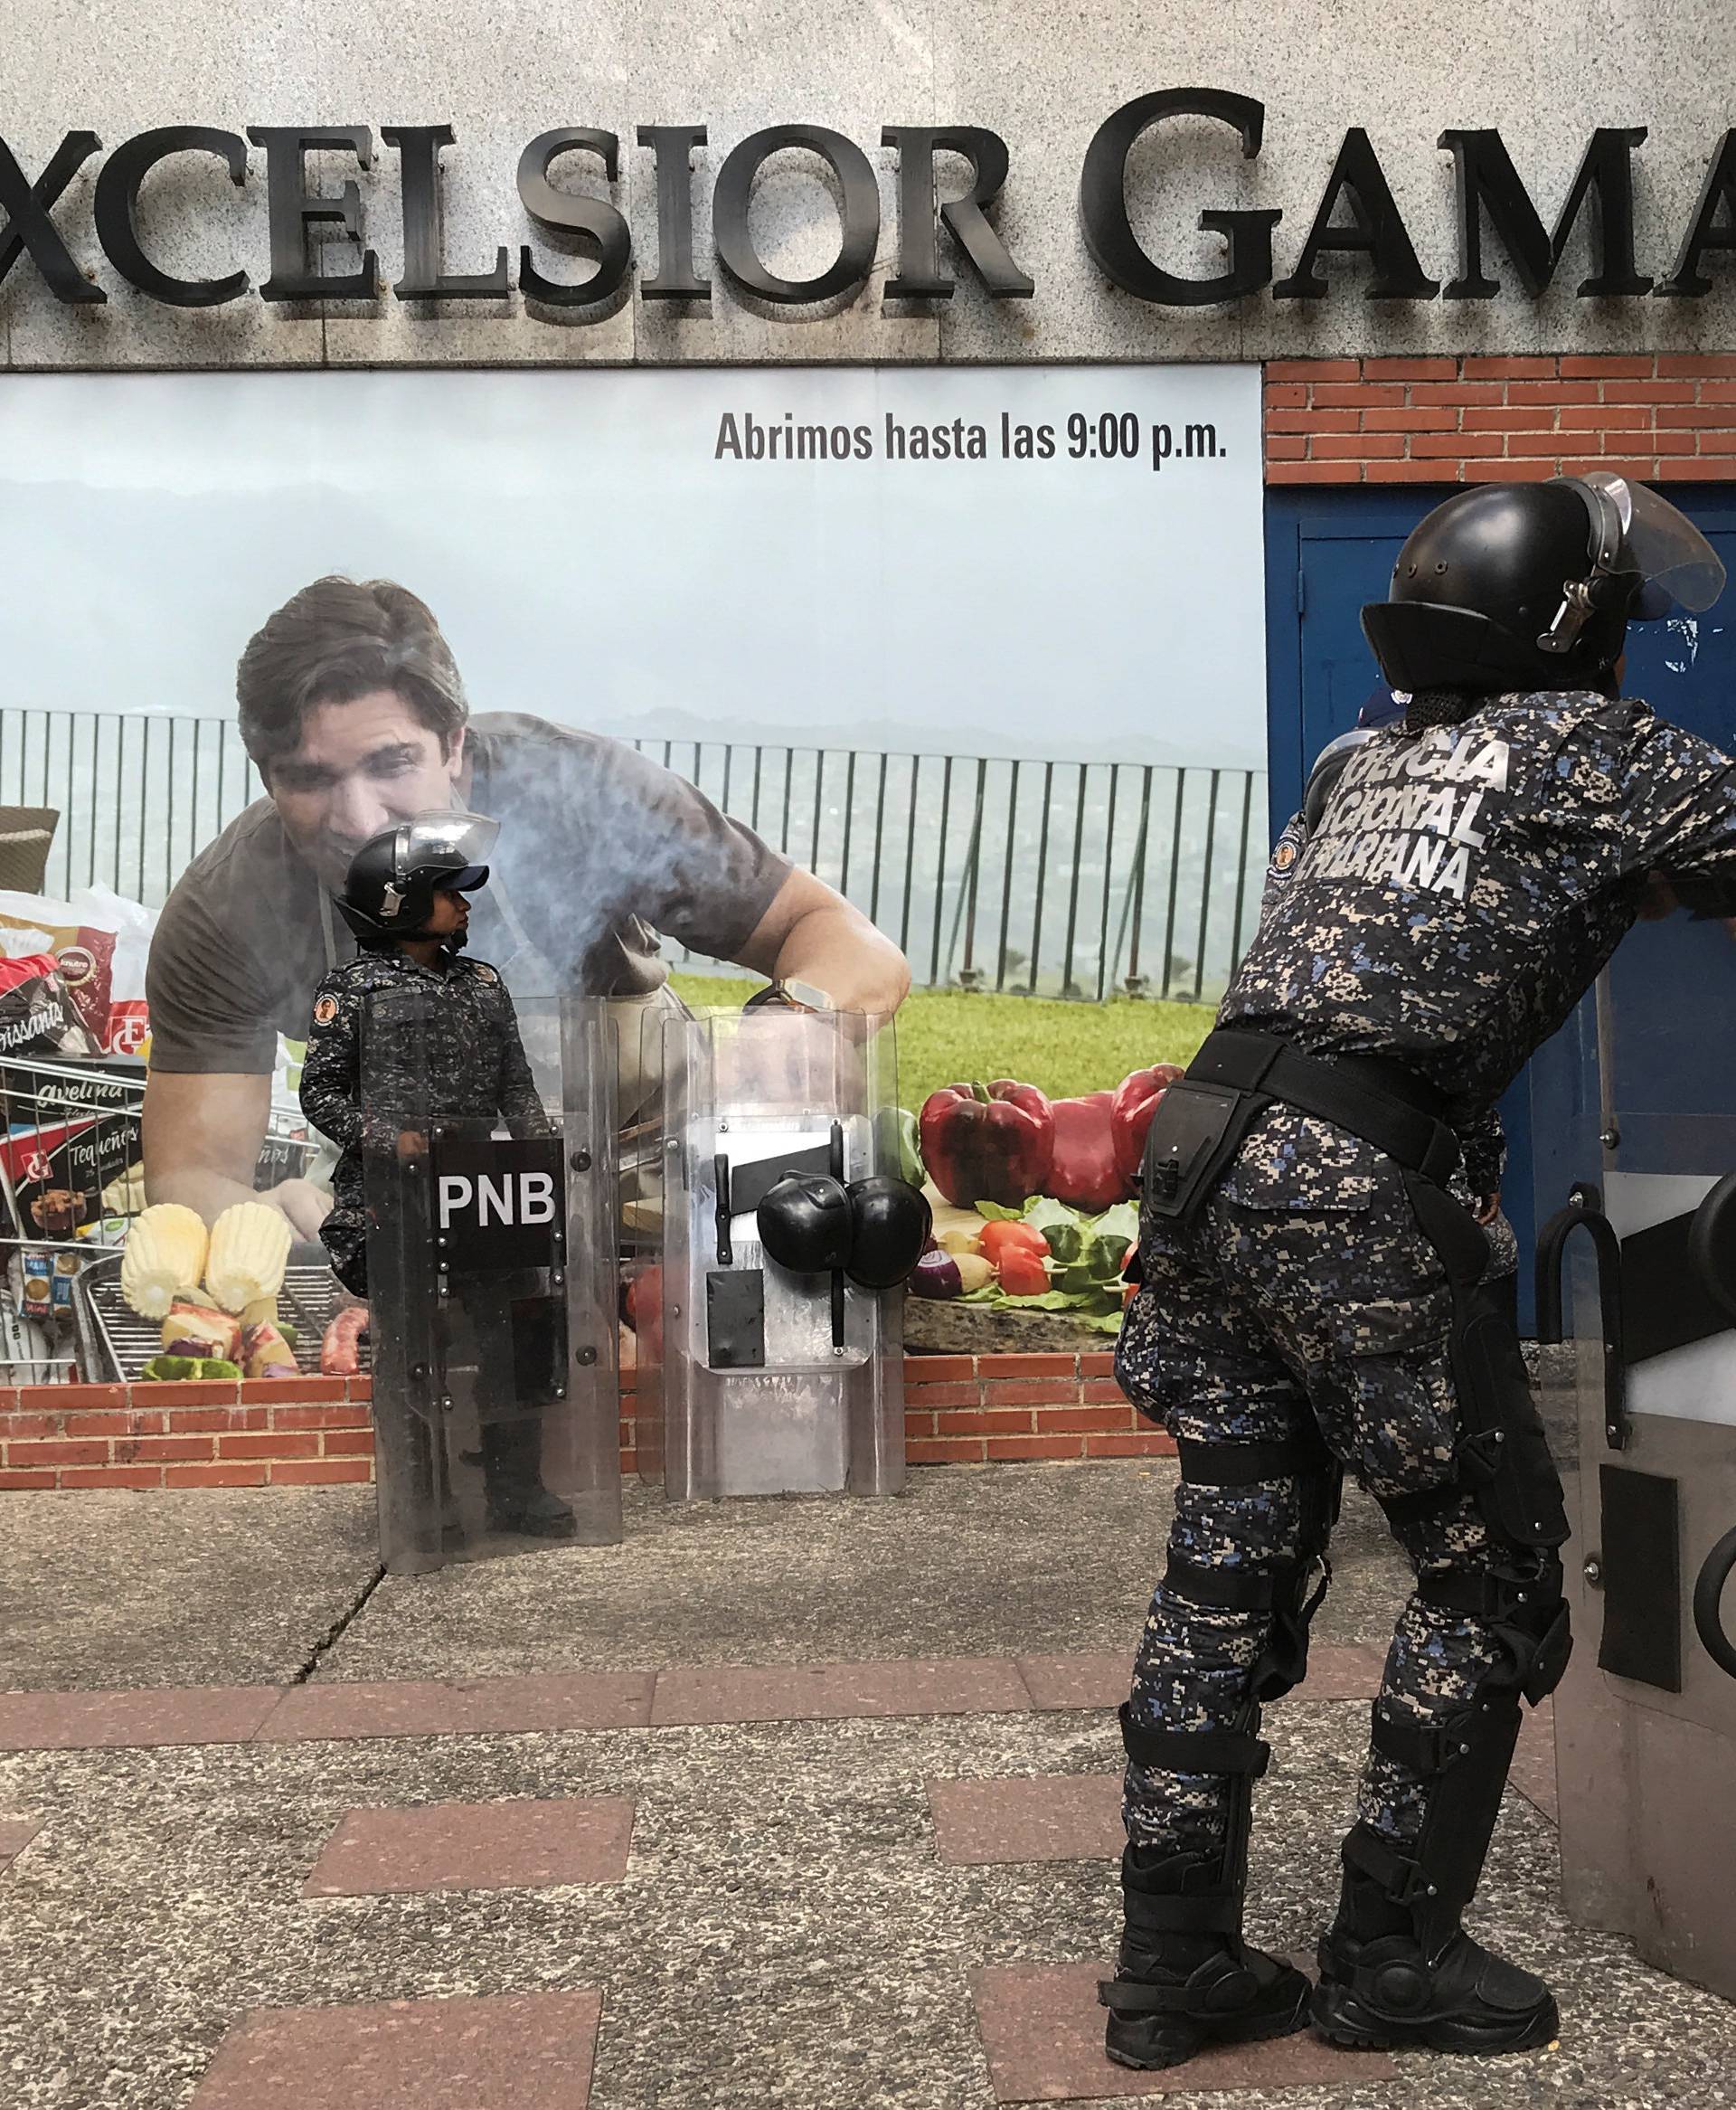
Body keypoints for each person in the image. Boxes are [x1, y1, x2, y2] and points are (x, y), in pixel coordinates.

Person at [1103, 471, 1734, 2069]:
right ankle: (1390, 1955)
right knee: (1491, 1567)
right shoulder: (1601, 750)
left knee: (1224, 1559)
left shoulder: (1358, 753)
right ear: (1578, 626)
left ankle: (1171, 1965)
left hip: (1201, 1158)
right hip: (1355, 1183)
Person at [142, 576, 910, 1232]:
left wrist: (797, 1020)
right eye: (309, 778)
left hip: (667, 1203)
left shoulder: (582, 795)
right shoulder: (223, 914)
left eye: (392, 763)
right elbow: (190, 1177)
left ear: (453, 745)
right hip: (418, 1226)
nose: (360, 819)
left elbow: (847, 942)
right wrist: (259, 1216)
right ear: (267, 777)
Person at [298, 810, 574, 1538]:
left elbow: (518, 1087)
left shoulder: (485, 984)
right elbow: (321, 1093)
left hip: (491, 1197)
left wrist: (545, 1154)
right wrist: (391, 1138)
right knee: (413, 1352)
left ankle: (517, 1491)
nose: (466, 904)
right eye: (451, 891)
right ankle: (423, 1502)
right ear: (401, 902)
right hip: (399, 1201)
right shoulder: (352, 989)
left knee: (514, 1345)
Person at [1262, 697, 1520, 1327]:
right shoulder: (1430, 849)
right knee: (1494, 1254)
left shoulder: (1312, 831)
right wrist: (1482, 1159)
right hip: (1372, 1131)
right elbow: (1455, 1029)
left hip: (1254, 1113)